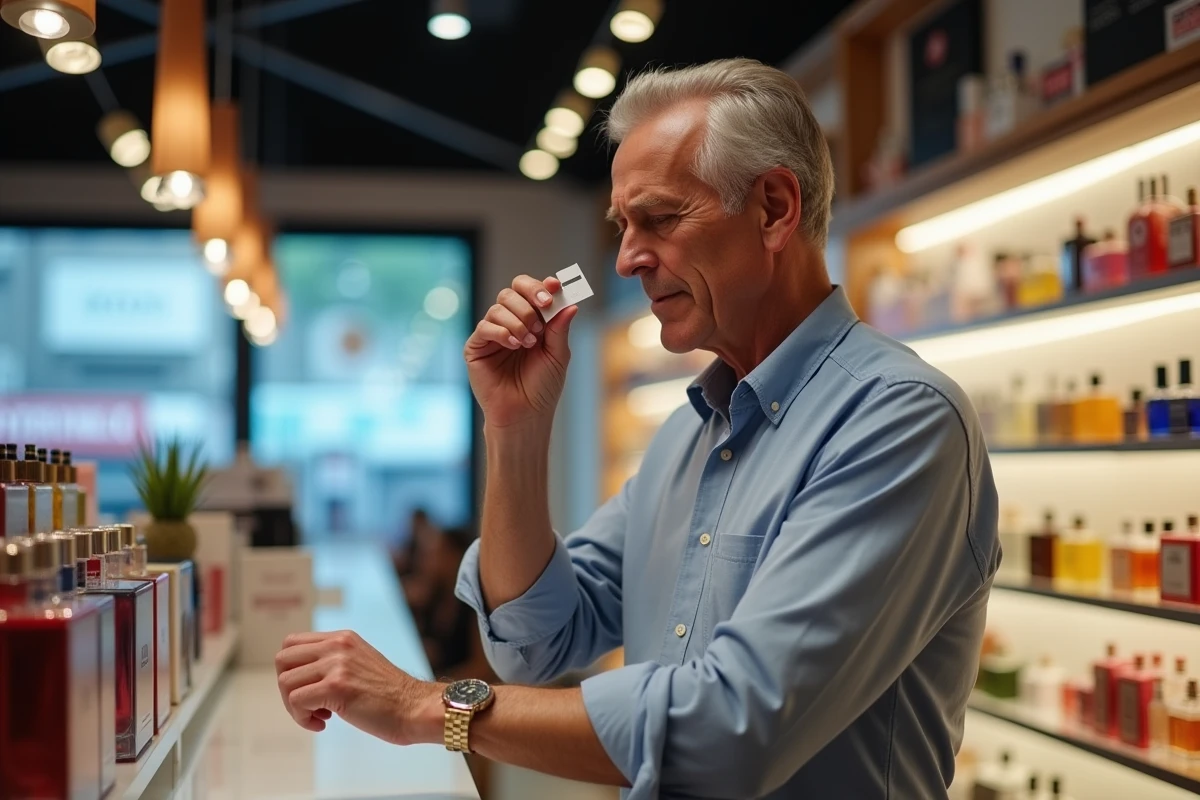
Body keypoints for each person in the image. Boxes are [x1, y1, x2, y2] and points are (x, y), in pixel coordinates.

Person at [274, 58, 1000, 799]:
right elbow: (538, 640)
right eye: (623, 227)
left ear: (775, 209)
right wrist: (515, 431)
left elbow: (732, 732)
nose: (626, 260)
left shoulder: (898, 422)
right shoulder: (691, 438)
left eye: (659, 219)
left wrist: (424, 705)